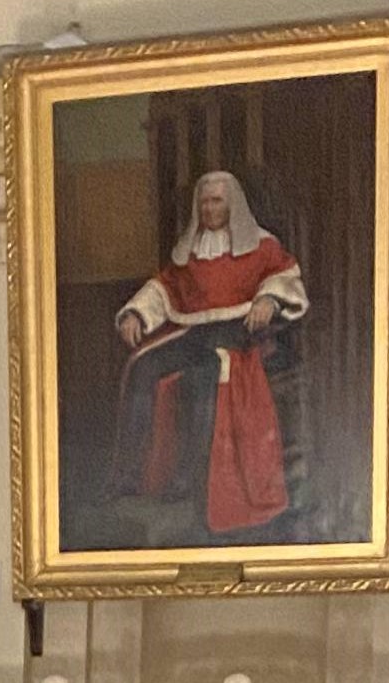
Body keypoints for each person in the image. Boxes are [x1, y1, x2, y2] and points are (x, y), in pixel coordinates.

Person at [107, 169, 307, 536]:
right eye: (204, 202)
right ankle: (137, 478)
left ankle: (192, 483)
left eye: (216, 201)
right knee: (143, 366)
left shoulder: (261, 245)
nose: (210, 208)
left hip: (239, 335)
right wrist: (135, 313)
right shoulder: (191, 250)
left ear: (231, 204)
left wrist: (267, 299)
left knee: (202, 380)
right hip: (194, 331)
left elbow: (284, 276)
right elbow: (163, 288)